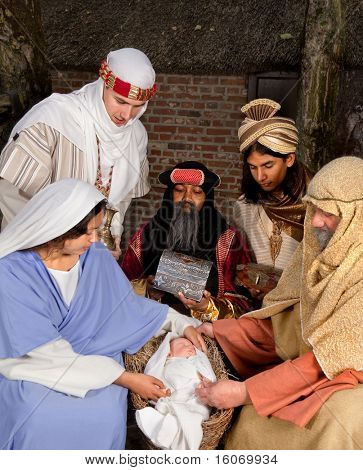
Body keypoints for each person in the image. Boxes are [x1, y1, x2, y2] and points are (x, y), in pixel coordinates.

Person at [0, 179, 205, 450]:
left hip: (97, 357)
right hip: (34, 367)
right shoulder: (11, 272)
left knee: (103, 415)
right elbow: (41, 354)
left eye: (98, 230)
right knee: (38, 418)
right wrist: (125, 378)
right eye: (87, 232)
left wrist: (180, 322)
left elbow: (124, 307)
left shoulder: (93, 255)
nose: (96, 239)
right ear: (58, 229)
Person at [196, 156, 363, 450]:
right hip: (311, 371)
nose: (314, 222)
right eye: (313, 209)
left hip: (348, 381)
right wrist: (219, 330)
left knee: (341, 420)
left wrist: (244, 391)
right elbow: (284, 325)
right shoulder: (317, 250)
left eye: (328, 213)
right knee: (250, 420)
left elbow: (325, 360)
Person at [0, 48, 156, 258]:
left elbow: (119, 201)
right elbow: (10, 194)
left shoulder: (136, 135)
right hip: (34, 252)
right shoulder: (53, 118)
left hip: (89, 253)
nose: (127, 115)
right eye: (120, 101)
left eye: (138, 106)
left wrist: (111, 237)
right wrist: (55, 244)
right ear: (103, 85)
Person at [121, 161, 253, 321]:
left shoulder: (227, 240)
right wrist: (147, 290)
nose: (187, 198)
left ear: (207, 198)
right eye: (179, 190)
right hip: (153, 323)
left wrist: (207, 306)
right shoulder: (147, 234)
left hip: (205, 331)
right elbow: (121, 288)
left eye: (197, 192)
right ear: (170, 194)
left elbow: (245, 304)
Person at [234, 98, 313, 270]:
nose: (260, 176)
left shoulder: (317, 204)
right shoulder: (243, 206)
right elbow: (240, 261)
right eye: (253, 167)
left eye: (268, 165)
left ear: (289, 159)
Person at [136, 334, 215, 450]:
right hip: (178, 396)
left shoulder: (197, 362)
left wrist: (206, 381)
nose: (190, 347)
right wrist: (163, 392)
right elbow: (159, 381)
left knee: (197, 408)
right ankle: (175, 421)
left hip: (198, 395)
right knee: (180, 409)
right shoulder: (169, 365)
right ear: (169, 353)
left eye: (192, 345)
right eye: (183, 345)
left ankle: (175, 424)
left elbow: (209, 375)